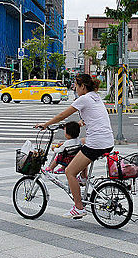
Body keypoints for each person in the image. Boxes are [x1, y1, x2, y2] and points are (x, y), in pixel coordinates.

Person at [37, 73, 114, 219]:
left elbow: (62, 115)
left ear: (83, 86)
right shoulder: (96, 97)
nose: (75, 88)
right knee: (80, 145)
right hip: (107, 141)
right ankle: (84, 178)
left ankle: (79, 208)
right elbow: (94, 117)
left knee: (70, 172)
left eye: (76, 86)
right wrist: (78, 124)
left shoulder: (83, 99)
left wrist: (45, 124)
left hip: (97, 143)